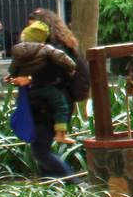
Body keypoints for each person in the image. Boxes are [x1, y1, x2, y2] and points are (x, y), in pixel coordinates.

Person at [8, 14, 80, 181]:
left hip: (46, 107)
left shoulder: (53, 50)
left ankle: (73, 182)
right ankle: (55, 186)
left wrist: (28, 78)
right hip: (40, 105)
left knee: (41, 152)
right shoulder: (47, 51)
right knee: (40, 152)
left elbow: (60, 74)